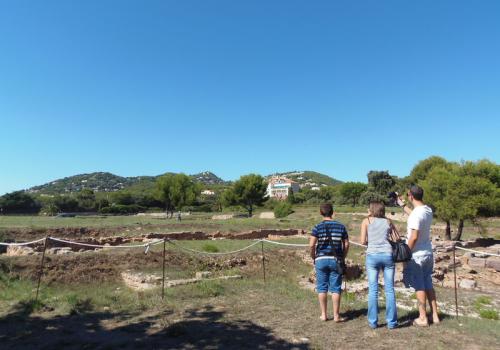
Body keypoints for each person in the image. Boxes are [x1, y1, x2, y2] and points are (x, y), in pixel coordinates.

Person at [397, 185, 440, 326]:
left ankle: (422, 317)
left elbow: (414, 236)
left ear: (411, 196)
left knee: (419, 285)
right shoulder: (427, 210)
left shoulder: (416, 214)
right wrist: (402, 205)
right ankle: (435, 315)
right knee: (428, 283)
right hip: (428, 252)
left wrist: (406, 252)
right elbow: (415, 214)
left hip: (417, 255)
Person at [360, 201, 398, 329]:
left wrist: (371, 242)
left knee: (373, 290)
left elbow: (362, 241)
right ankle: (391, 323)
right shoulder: (388, 221)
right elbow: (397, 238)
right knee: (390, 289)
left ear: (371, 209)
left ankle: (373, 322)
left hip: (372, 256)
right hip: (388, 255)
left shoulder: (366, 221)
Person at [309, 203, 349, 322]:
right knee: (336, 288)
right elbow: (346, 244)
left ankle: (324, 315)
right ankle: (336, 316)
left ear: (321, 212)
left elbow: (311, 244)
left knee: (322, 287)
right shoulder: (341, 226)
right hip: (336, 259)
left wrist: (314, 256)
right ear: (332, 212)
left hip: (321, 259)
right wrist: (343, 256)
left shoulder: (317, 227)